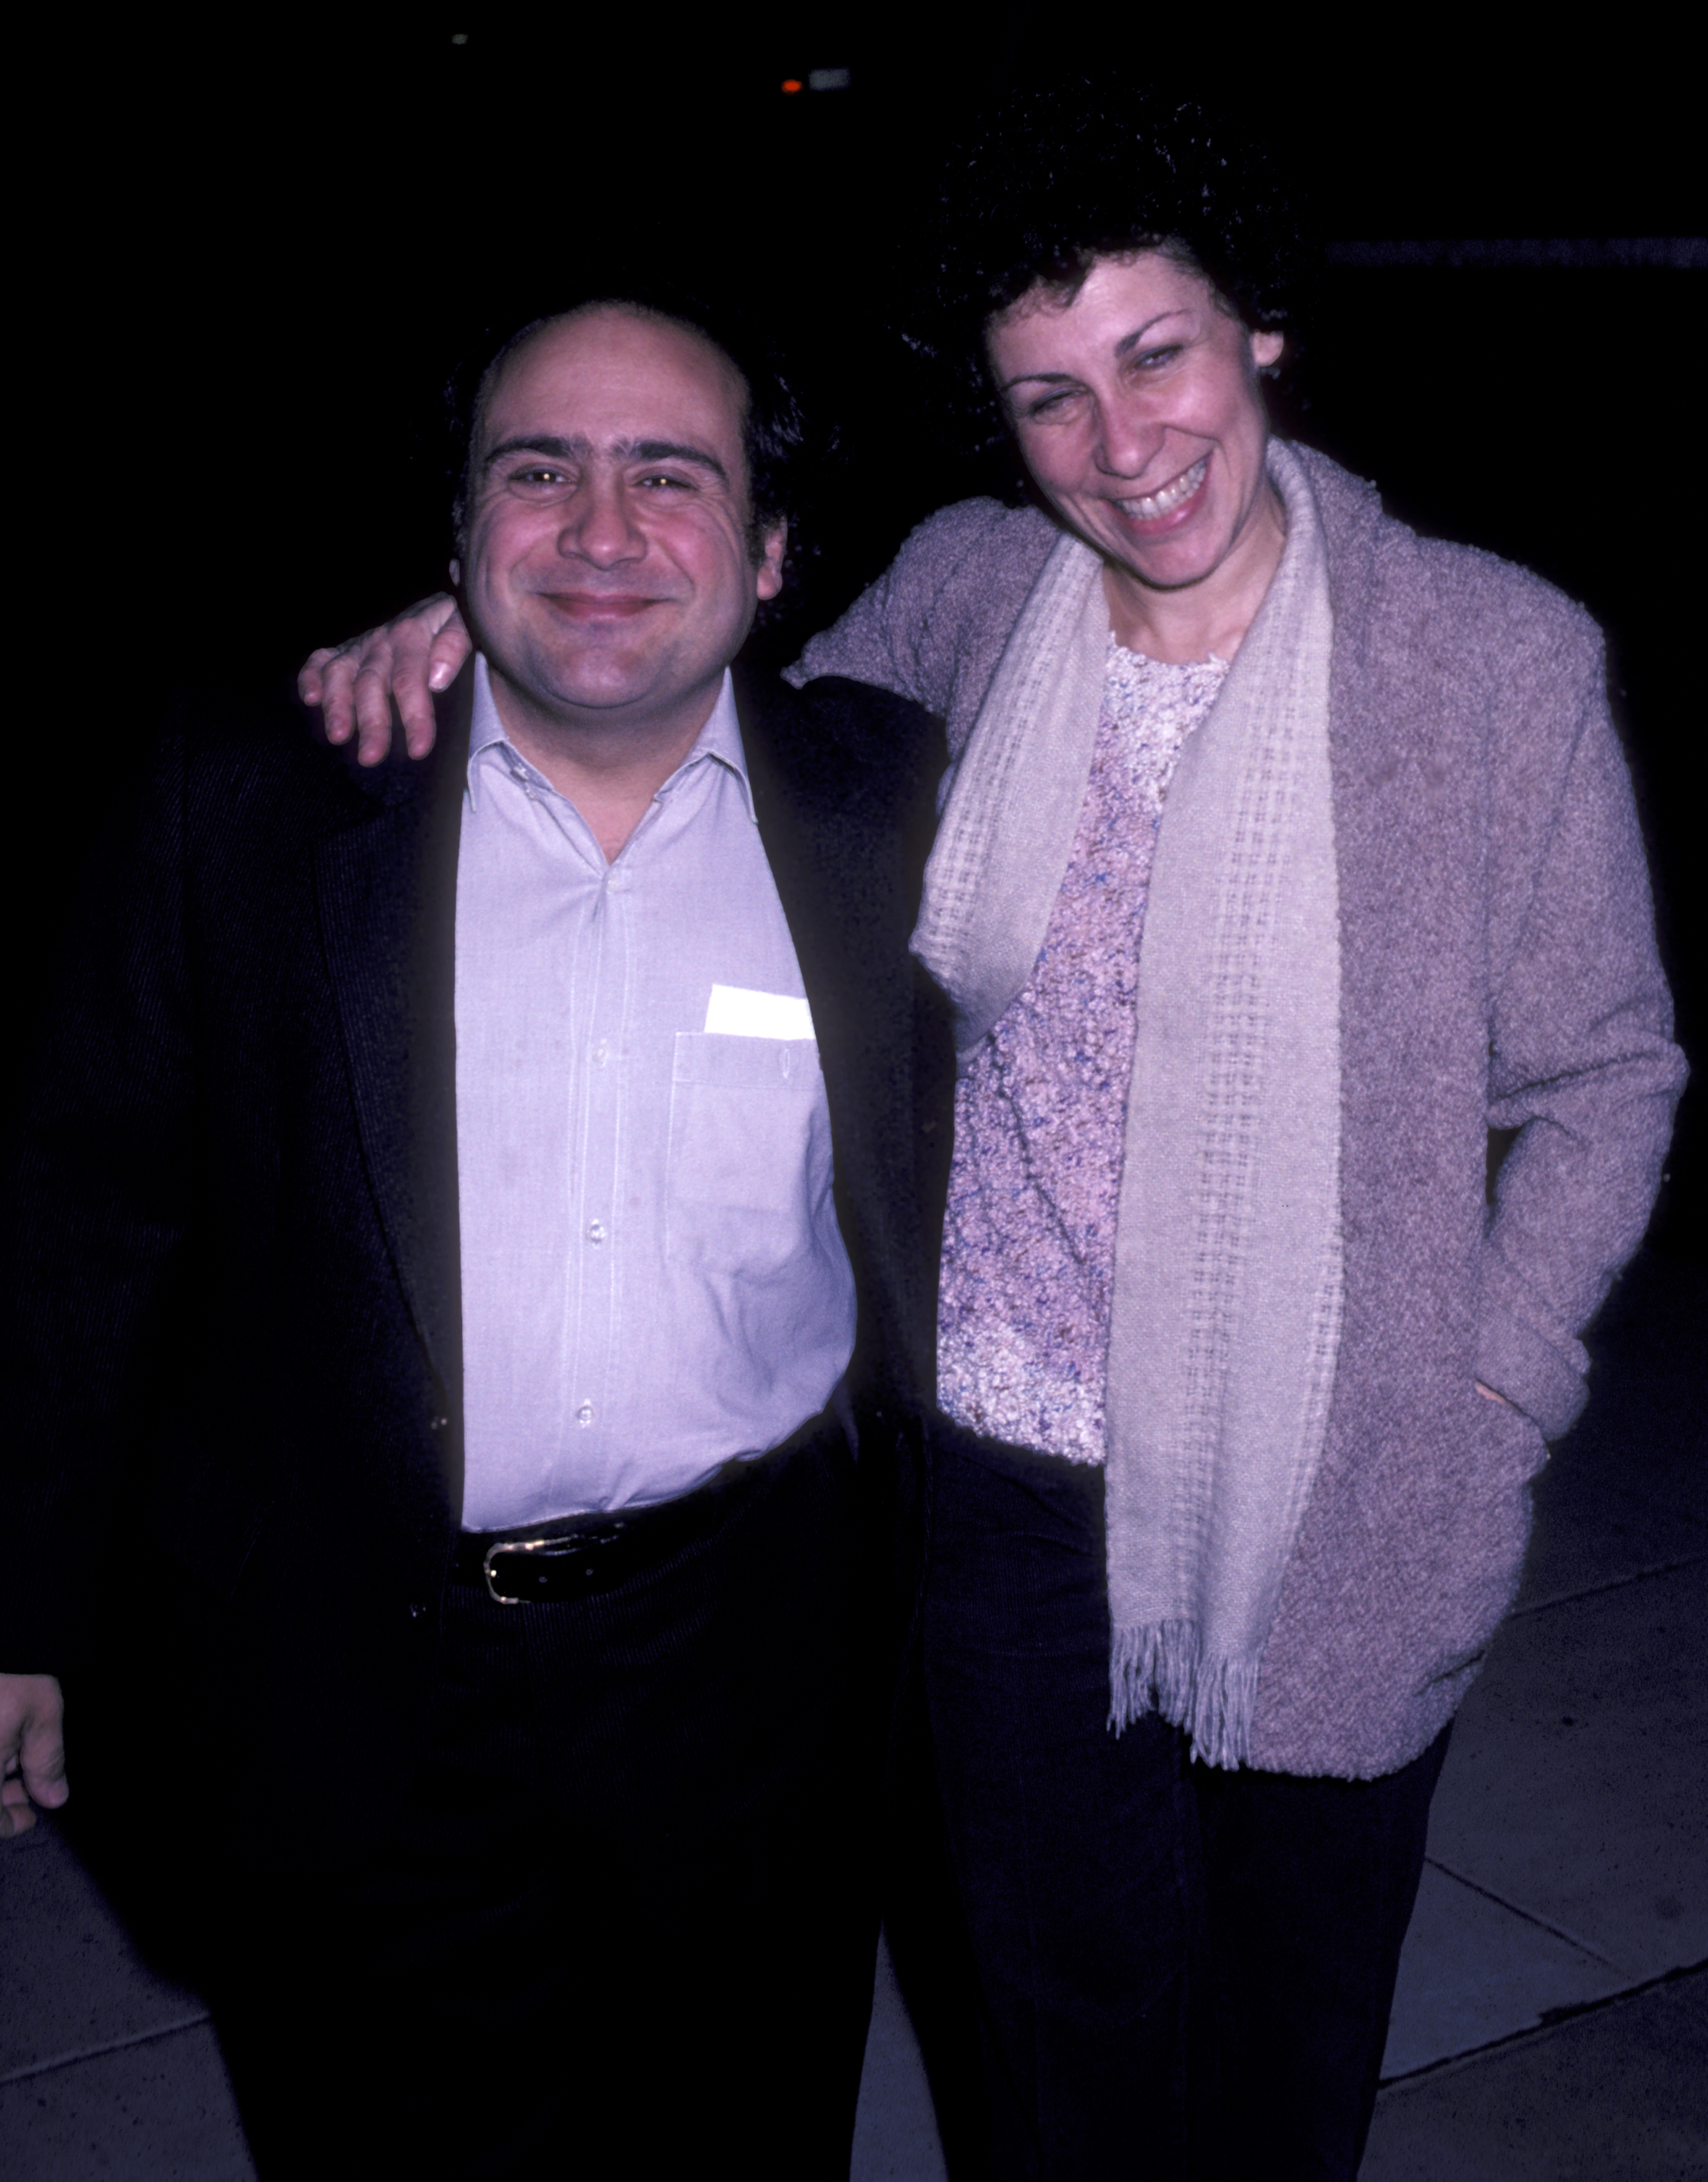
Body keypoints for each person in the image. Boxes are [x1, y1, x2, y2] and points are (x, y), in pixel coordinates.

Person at [284, 87, 1685, 2182]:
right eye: (1049, 398)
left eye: (1155, 356)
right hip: (1004, 1484)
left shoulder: (1489, 660)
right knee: (1053, 2058)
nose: (1121, 446)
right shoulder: (972, 595)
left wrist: (1488, 1382)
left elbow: (1602, 1075)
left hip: (1346, 1469)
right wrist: (470, 632)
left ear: (1259, 338)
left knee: (1283, 2062)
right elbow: (716, 747)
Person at [0, 292, 955, 2177]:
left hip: (752, 1661)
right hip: (357, 1665)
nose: (599, 534)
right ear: (453, 538)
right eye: (538, 473)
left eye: (666, 478)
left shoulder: (895, 802)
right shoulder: (249, 801)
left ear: (769, 554)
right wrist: (19, 1610)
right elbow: (77, 1208)